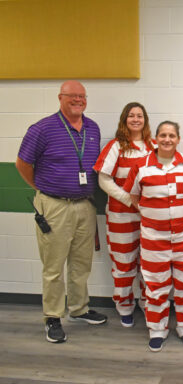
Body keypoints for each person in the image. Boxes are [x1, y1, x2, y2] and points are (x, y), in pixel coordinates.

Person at [15, 80, 107, 343]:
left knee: (81, 263)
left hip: (84, 205)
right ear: (60, 98)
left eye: (82, 96)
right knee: (53, 266)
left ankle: (79, 309)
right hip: (54, 206)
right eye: (72, 96)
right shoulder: (43, 128)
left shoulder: (92, 128)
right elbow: (22, 164)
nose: (78, 100)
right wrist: (43, 188)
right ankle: (52, 316)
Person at [124, 121, 183, 352]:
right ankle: (157, 329)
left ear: (178, 139)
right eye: (163, 135)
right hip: (153, 240)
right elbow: (134, 196)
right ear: (155, 138)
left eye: (172, 135)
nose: (167, 139)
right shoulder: (141, 166)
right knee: (156, 287)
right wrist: (151, 214)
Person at [94, 102, 155, 327]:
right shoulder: (116, 146)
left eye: (140, 115)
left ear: (145, 120)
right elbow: (104, 179)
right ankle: (124, 305)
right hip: (121, 215)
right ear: (124, 119)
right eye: (131, 116)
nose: (136, 119)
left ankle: (147, 303)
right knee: (124, 263)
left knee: (148, 263)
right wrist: (129, 199)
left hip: (149, 217)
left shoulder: (154, 145)